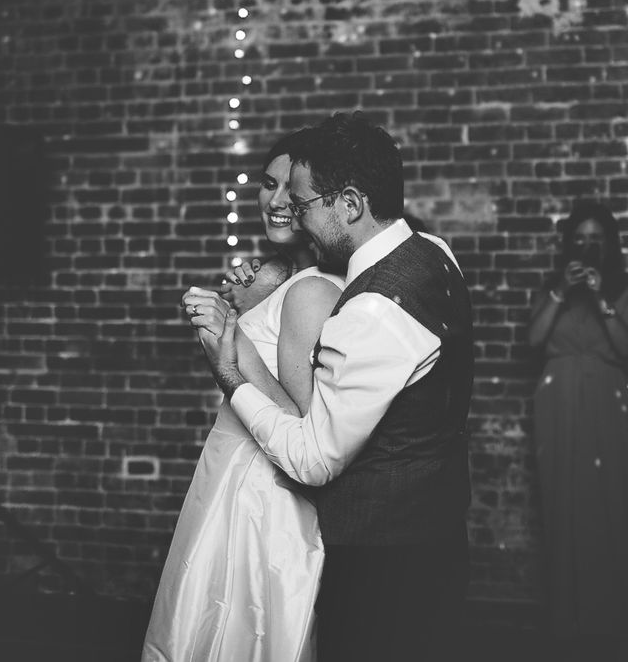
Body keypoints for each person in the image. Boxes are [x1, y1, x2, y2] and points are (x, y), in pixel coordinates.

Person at [185, 111, 474, 661]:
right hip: (435, 536)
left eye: (306, 204)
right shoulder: (434, 252)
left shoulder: (371, 310)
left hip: (383, 566)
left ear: (349, 203)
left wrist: (229, 369)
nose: (296, 215)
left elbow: (314, 458)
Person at [141, 129, 344, 662]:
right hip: (233, 472)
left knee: (254, 629)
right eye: (268, 184)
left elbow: (309, 428)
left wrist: (233, 341)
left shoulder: (317, 290)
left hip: (273, 496)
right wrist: (254, 294)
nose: (276, 201)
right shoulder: (279, 276)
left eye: (291, 190)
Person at [528, 200, 628, 657]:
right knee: (562, 504)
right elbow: (533, 343)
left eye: (596, 239)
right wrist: (562, 294)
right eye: (580, 239)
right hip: (558, 408)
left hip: (608, 409)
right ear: (570, 244)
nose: (587, 247)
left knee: (610, 504)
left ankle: (610, 618)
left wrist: (604, 299)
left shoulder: (621, 290)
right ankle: (567, 621)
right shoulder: (553, 290)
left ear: (609, 244)